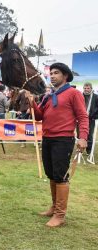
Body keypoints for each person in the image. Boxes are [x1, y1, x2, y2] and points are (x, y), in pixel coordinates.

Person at [28, 62, 88, 227]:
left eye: (56, 73)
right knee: (51, 174)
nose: (52, 76)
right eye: (51, 73)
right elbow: (39, 116)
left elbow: (83, 117)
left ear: (65, 76)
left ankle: (60, 215)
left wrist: (83, 137)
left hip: (63, 140)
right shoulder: (48, 96)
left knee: (61, 176)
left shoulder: (74, 93)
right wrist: (32, 102)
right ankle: (54, 207)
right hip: (47, 139)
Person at [82, 82, 98, 155]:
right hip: (81, 119)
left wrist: (94, 116)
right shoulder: (80, 96)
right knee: (80, 134)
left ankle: (89, 150)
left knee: (89, 134)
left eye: (88, 88)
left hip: (91, 119)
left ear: (91, 88)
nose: (86, 90)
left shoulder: (96, 97)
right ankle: (80, 150)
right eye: (85, 88)